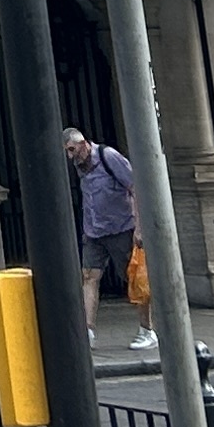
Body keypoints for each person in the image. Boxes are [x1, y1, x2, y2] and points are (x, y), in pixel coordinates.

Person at [65, 127, 140, 310]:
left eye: (72, 149)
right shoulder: (79, 164)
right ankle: (88, 326)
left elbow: (135, 187)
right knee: (89, 276)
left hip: (120, 228)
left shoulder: (108, 156)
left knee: (133, 277)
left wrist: (139, 228)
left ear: (83, 144)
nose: (70, 156)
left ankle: (147, 324)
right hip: (93, 231)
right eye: (67, 152)